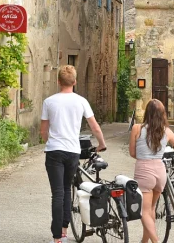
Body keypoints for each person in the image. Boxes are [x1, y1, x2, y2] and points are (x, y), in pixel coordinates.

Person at [40, 65, 107, 243]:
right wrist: (101, 144)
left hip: (54, 151)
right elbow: (94, 127)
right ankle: (64, 230)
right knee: (69, 189)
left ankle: (56, 238)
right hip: (72, 152)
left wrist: (49, 141)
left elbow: (43, 130)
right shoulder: (81, 101)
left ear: (58, 82)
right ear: (75, 82)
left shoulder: (49, 102)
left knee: (57, 193)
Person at [130, 99, 174, 243]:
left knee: (143, 211)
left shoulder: (137, 128)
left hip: (144, 170)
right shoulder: (166, 131)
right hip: (160, 172)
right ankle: (144, 242)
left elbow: (132, 153)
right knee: (151, 209)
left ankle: (156, 241)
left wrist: (144, 155)